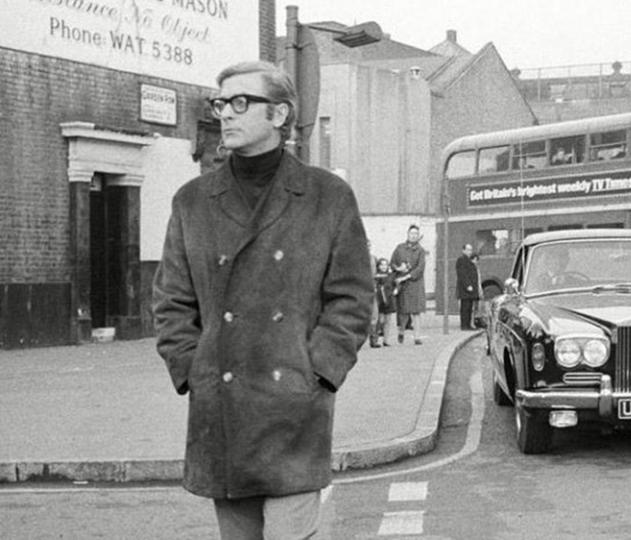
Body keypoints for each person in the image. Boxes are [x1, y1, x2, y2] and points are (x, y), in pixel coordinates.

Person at [152, 60, 373, 540]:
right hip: (223, 410)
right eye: (220, 103)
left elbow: (353, 299)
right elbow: (172, 303)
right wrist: (195, 368)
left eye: (240, 103)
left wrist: (317, 371)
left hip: (293, 409)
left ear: (279, 115)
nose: (225, 114)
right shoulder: (192, 201)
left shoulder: (327, 197)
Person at [390, 224, 427, 345]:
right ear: (408, 234)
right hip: (403, 285)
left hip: (415, 284)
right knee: (404, 311)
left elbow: (420, 268)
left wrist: (408, 275)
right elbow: (392, 263)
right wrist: (399, 268)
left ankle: (417, 337)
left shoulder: (421, 251)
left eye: (416, 234)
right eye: (412, 233)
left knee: (416, 311)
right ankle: (401, 332)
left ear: (418, 236)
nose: (413, 236)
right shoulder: (399, 248)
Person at [372, 258, 398, 347]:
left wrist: (396, 290)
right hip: (380, 300)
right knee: (380, 320)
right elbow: (375, 286)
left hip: (389, 299)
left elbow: (396, 284)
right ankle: (375, 339)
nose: (384, 266)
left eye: (385, 264)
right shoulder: (376, 276)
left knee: (388, 321)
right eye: (381, 265)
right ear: (378, 266)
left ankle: (386, 340)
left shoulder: (390, 275)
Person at [455, 244, 480, 330]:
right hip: (465, 289)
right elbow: (462, 275)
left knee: (469, 307)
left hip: (471, 289)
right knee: (465, 307)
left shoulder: (469, 260)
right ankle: (464, 325)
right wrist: (468, 285)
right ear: (463, 250)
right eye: (468, 250)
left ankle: (468, 324)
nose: (470, 252)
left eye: (471, 250)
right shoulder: (461, 260)